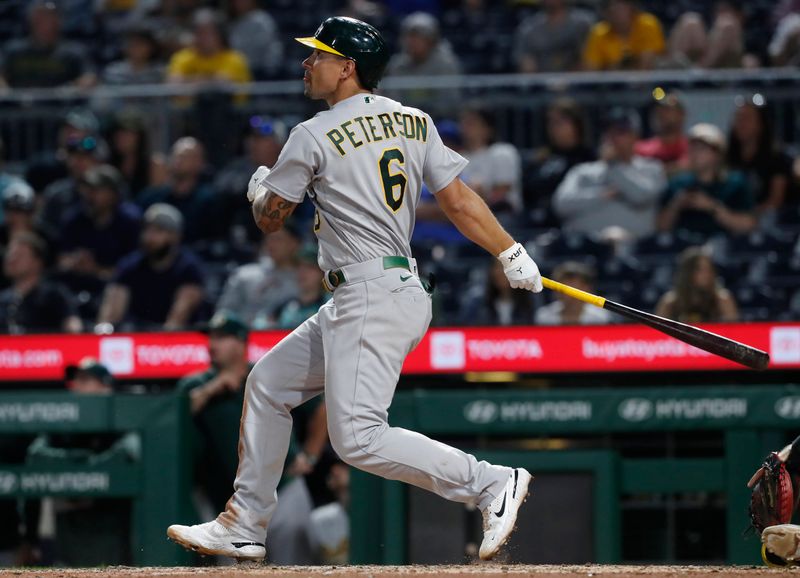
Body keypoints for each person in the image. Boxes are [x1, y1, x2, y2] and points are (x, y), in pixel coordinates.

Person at [167, 16, 540, 563]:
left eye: (318, 55)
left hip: (369, 291)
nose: (307, 63)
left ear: (348, 67)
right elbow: (459, 202)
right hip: (383, 288)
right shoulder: (415, 120)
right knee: (269, 382)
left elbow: (271, 220)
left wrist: (258, 189)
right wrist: (509, 251)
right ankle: (244, 524)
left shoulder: (312, 133)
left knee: (358, 437)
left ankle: (490, 482)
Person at [178, 311, 325, 564]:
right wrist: (212, 389)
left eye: (222, 338)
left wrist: (310, 454)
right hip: (227, 498)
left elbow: (320, 409)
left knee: (296, 564)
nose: (213, 345)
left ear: (241, 342)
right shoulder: (197, 383)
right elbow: (175, 416)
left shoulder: (265, 374)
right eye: (211, 337)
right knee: (235, 568)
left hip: (284, 485)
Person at [26, 357, 138, 566]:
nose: (76, 386)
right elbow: (35, 455)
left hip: (111, 532)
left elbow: (129, 454)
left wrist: (85, 475)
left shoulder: (122, 416)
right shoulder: (63, 424)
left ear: (105, 387)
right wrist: (78, 464)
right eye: (75, 380)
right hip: (69, 536)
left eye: (85, 380)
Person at [553, 108, 666, 241]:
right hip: (586, 247)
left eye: (620, 132)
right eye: (608, 132)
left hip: (637, 248)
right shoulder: (582, 171)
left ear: (635, 136)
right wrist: (601, 195)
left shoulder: (651, 168)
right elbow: (561, 204)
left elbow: (641, 196)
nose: (612, 138)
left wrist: (613, 168)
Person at [97, 203, 205, 331]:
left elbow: (177, 320)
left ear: (175, 236)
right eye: (147, 229)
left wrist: (156, 345)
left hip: (177, 343)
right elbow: (110, 318)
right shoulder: (129, 266)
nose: (149, 237)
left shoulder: (189, 268)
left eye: (158, 231)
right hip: (135, 336)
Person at [658, 123, 756, 239]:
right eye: (692, 148)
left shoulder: (734, 184)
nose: (695, 154)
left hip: (723, 247)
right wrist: (676, 205)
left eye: (701, 149)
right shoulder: (677, 184)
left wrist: (711, 207)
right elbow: (661, 227)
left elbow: (749, 225)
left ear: (717, 154)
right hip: (683, 247)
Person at [59, 165, 142, 288]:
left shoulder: (130, 222)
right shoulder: (75, 219)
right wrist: (74, 262)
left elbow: (134, 270)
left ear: (114, 194)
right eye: (87, 189)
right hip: (76, 287)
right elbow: (61, 261)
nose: (89, 195)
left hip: (116, 289)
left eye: (97, 190)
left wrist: (96, 270)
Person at [213, 117, 288, 242]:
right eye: (252, 138)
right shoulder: (235, 170)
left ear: (279, 144)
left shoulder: (290, 170)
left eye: (261, 139)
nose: (252, 143)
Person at [215, 224, 301, 329]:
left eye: (278, 239)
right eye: (268, 239)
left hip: (287, 338)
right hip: (243, 338)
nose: (271, 244)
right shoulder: (244, 275)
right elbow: (224, 312)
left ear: (294, 243)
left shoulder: (305, 279)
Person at [137, 137, 219, 243]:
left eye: (187, 156)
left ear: (200, 162)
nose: (179, 160)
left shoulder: (209, 201)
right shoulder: (150, 198)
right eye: (176, 155)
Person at [0, 0, 96, 89]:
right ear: (32, 21)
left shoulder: (74, 52)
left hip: (63, 105)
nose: (46, 24)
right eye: (41, 18)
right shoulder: (13, 51)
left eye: (51, 17)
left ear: (59, 21)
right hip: (19, 105)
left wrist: (82, 83)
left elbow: (89, 75)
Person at [525, 98, 595, 214]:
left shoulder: (589, 158)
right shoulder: (541, 157)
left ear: (576, 125)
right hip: (536, 220)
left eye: (560, 122)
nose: (553, 127)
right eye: (551, 122)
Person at [0, 232, 81, 334]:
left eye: (19, 255)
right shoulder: (2, 299)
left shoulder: (55, 296)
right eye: (10, 254)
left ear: (37, 262)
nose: (11, 259)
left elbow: (73, 328)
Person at [726, 96, 793, 215]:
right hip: (731, 220)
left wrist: (749, 216)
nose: (741, 124)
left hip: (769, 222)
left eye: (747, 119)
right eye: (738, 118)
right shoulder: (727, 157)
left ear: (761, 124)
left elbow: (776, 200)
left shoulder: (777, 159)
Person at [460, 105, 523, 217]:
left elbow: (502, 191)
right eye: (464, 123)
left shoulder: (502, 152)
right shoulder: (459, 156)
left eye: (472, 123)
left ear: (487, 128)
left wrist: (476, 192)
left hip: (500, 217)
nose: (465, 127)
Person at [166, 9, 252, 86]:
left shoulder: (235, 59)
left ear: (220, 35)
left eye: (207, 33)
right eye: (199, 33)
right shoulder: (181, 58)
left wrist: (189, 81)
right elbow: (173, 85)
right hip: (189, 104)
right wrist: (212, 80)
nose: (202, 38)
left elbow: (226, 85)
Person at [655, 246, 738, 323]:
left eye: (709, 269)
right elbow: (657, 333)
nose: (706, 274)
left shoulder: (722, 300)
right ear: (687, 273)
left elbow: (733, 331)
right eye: (700, 270)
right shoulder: (670, 303)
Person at [512, 0, 594, 73]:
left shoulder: (583, 24)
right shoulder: (529, 29)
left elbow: (590, 61)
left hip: (578, 83)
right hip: (542, 84)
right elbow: (526, 65)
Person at [582, 0, 665, 71]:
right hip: (611, 87)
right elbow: (591, 70)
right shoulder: (599, 32)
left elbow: (648, 64)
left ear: (631, 6)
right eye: (610, 6)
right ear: (605, 12)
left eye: (621, 5)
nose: (615, 10)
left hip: (648, 84)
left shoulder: (647, 24)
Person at [105, 109, 167, 198]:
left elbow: (157, 198)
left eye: (126, 133)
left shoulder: (154, 165)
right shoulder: (108, 165)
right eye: (118, 133)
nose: (121, 138)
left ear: (139, 137)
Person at [666, 1, 746, 69]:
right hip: (694, 54)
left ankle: (701, 71)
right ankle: (675, 74)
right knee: (690, 22)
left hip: (728, 60)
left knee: (727, 26)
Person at [460, 259, 535, 326]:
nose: (500, 272)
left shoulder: (530, 302)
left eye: (505, 267)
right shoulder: (478, 304)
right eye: (497, 267)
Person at [535, 261, 612, 325]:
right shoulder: (544, 316)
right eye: (563, 288)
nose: (569, 294)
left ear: (586, 288)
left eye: (573, 288)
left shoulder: (599, 317)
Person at [273, 246, 330, 330]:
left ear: (322, 273)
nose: (302, 271)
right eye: (299, 266)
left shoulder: (330, 305)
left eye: (309, 267)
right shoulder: (285, 306)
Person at [634, 92, 689, 174]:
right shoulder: (641, 149)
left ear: (682, 115)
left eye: (669, 110)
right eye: (659, 110)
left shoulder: (692, 148)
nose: (663, 114)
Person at [227, 0, 283, 79]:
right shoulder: (232, 22)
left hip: (261, 71)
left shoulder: (262, 20)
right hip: (239, 70)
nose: (240, 3)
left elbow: (269, 49)